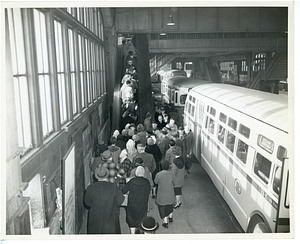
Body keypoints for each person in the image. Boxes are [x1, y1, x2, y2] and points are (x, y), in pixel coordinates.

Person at [84, 164, 125, 234]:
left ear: (96, 177)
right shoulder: (113, 187)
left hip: (95, 219)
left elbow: (87, 202)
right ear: (106, 175)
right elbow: (120, 200)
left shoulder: (90, 188)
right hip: (110, 219)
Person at [122, 166, 151, 234]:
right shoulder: (147, 182)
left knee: (131, 219)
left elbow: (124, 190)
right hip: (143, 204)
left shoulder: (131, 181)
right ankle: (143, 232)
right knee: (142, 217)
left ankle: (133, 235)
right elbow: (148, 191)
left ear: (136, 173)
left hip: (132, 204)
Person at [154, 160, 175, 228]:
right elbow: (174, 182)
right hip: (170, 193)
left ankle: (165, 222)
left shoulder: (159, 174)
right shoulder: (172, 174)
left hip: (161, 195)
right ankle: (170, 218)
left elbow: (156, 182)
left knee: (162, 208)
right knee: (170, 206)